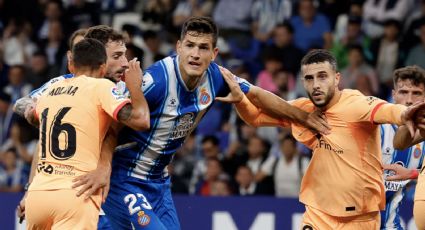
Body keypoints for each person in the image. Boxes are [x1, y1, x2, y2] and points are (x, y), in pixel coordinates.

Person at [16, 18, 330, 230]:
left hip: (158, 183)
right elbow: (112, 125)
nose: (195, 53)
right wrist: (103, 168)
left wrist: (303, 117)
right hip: (125, 178)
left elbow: (259, 95)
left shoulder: (217, 77)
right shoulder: (154, 81)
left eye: (203, 47)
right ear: (178, 47)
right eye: (190, 45)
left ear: (214, 53)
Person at [220, 49, 425, 229]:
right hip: (318, 213)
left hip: (358, 219)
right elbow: (256, 117)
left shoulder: (356, 104)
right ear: (303, 82)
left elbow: (387, 111)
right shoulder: (304, 109)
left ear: (337, 78)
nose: (316, 85)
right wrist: (240, 100)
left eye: (322, 77)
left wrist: (404, 113)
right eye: (309, 79)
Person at [24, 38, 150, 229]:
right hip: (75, 193)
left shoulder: (51, 90)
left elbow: (31, 115)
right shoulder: (101, 87)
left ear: (71, 65)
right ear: (102, 67)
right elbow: (141, 120)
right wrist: (134, 87)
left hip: (38, 195)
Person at [379, 66, 425, 229]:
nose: (410, 100)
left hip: (391, 224)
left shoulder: (423, 136)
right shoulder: (375, 129)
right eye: (403, 92)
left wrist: (412, 174)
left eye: (417, 93)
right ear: (393, 95)